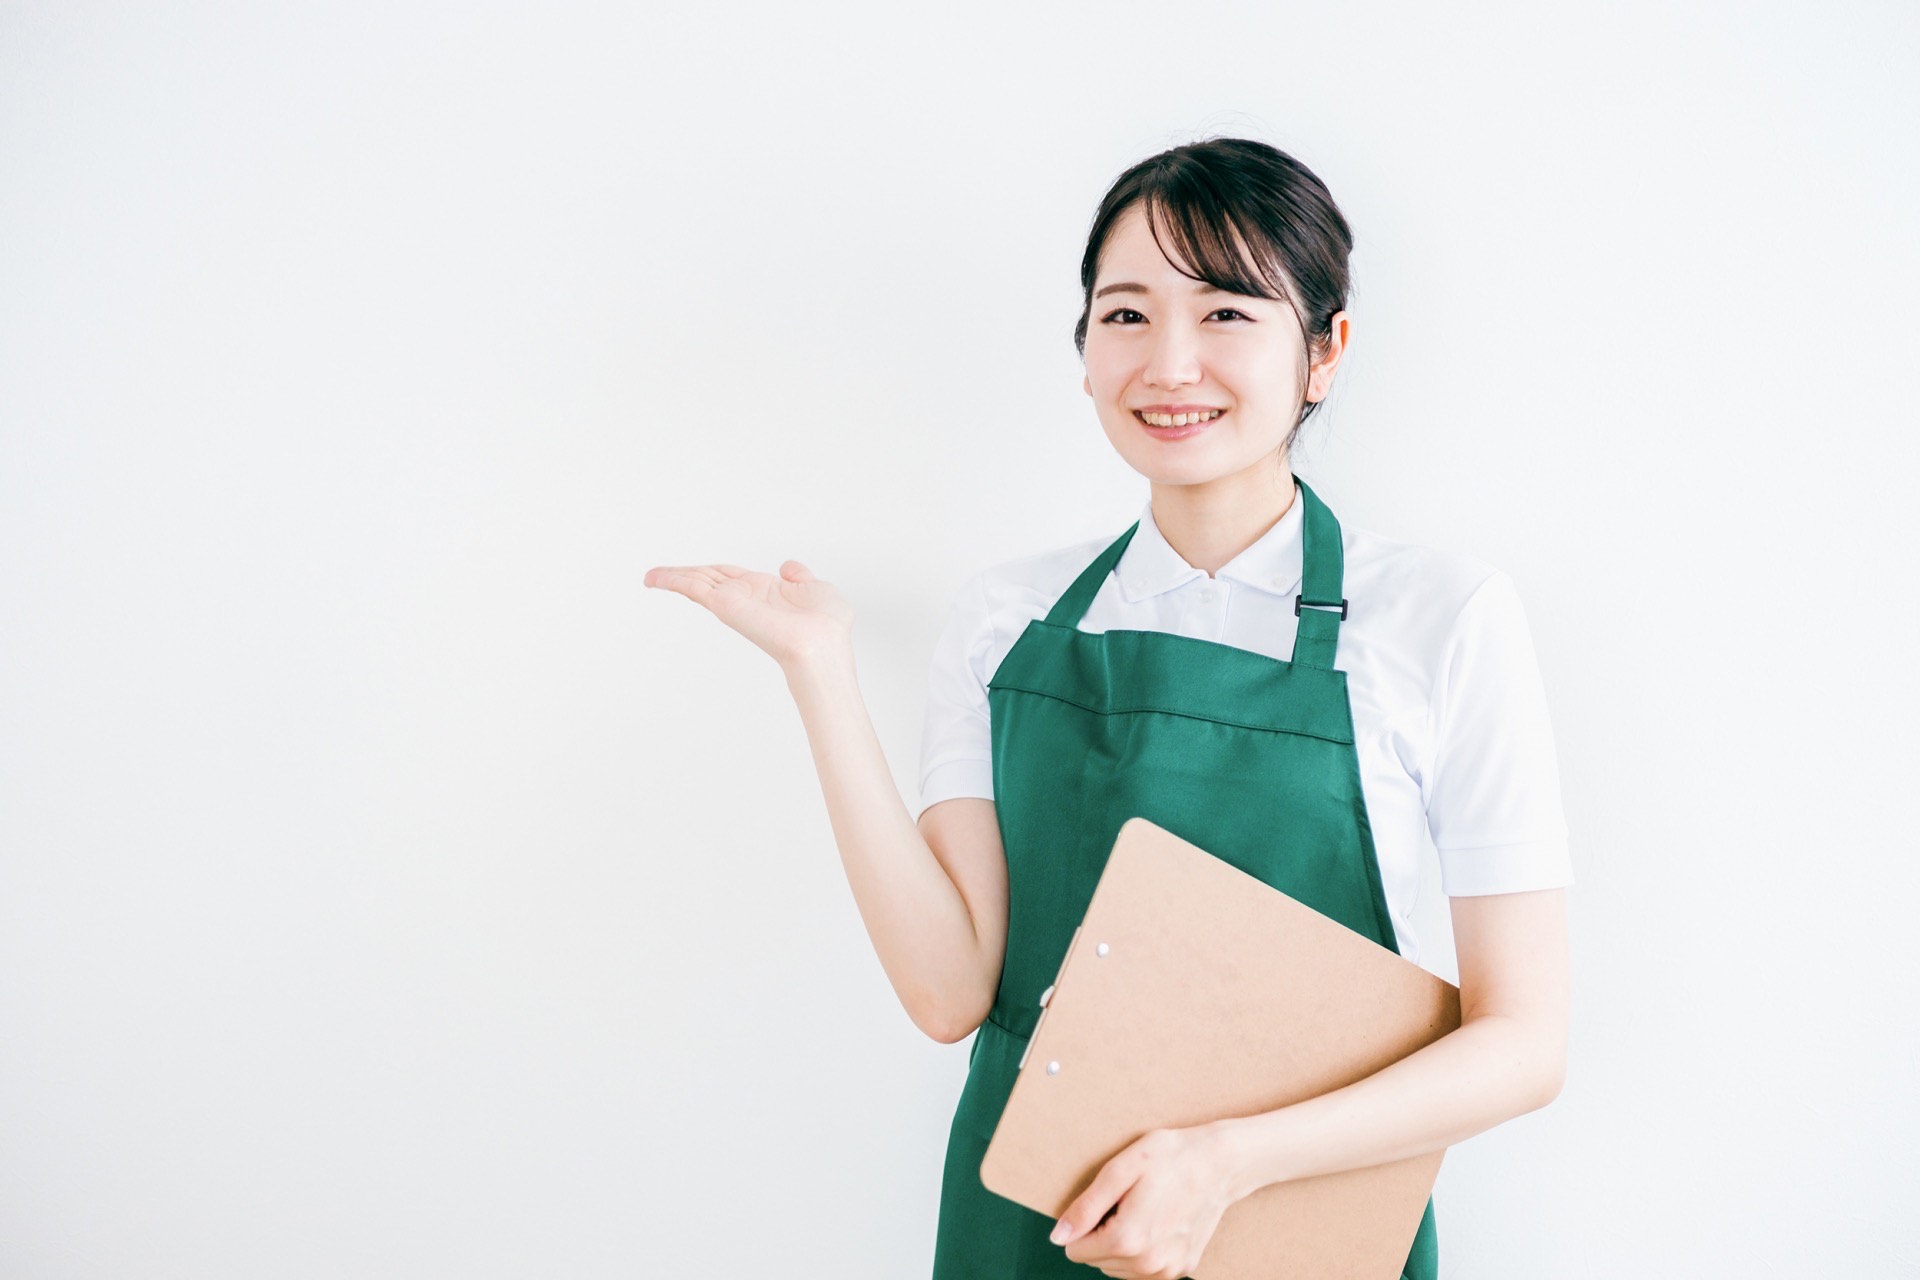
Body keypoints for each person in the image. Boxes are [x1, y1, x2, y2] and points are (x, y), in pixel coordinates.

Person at [644, 136, 1572, 1280]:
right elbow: (949, 987)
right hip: (1031, 1214)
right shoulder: (1007, 617)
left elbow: (1524, 1040)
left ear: (1325, 350)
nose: (1169, 363)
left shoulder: (1442, 619)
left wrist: (1224, 1160)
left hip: (1306, 1217)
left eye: (1227, 312)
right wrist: (820, 669)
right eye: (1125, 315)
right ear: (1083, 350)